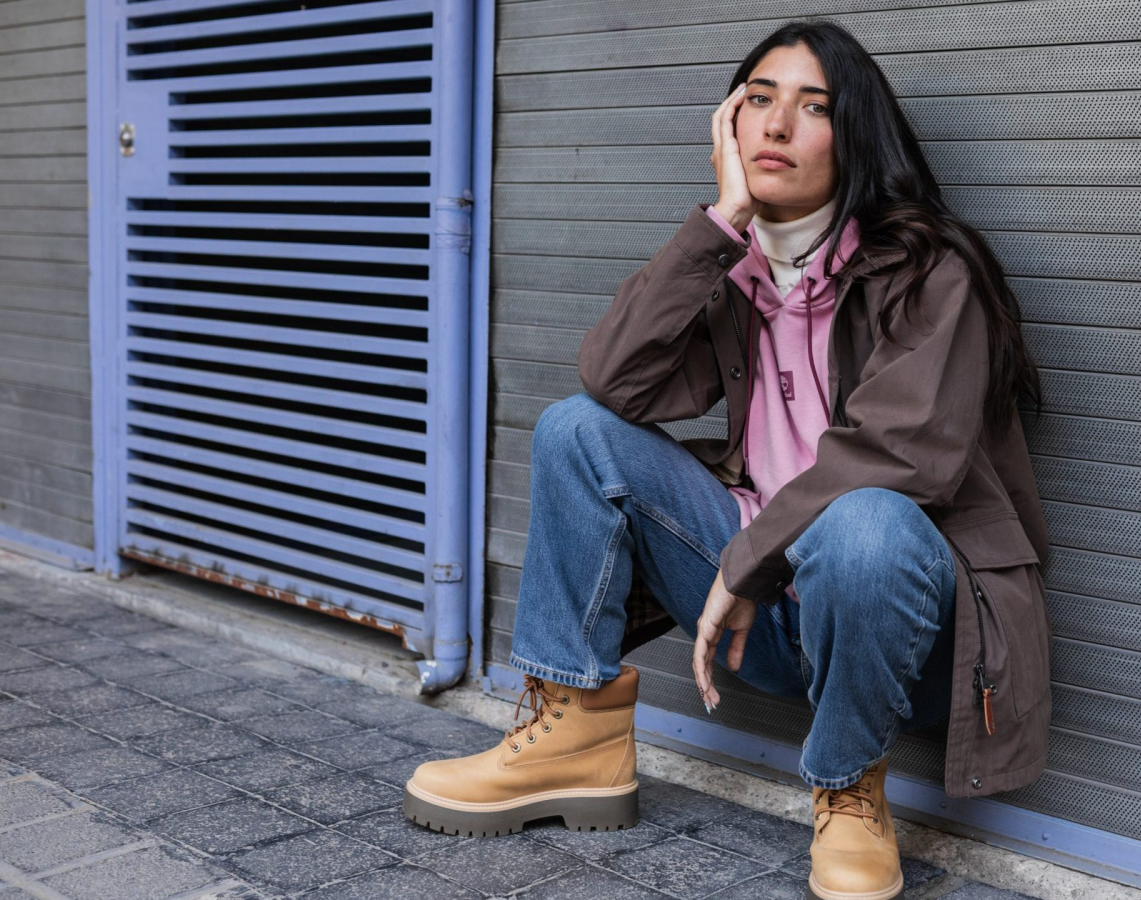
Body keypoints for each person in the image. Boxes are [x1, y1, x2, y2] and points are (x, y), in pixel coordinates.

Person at [403, 18, 1052, 900]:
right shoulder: (740, 271)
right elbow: (614, 379)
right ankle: (576, 735)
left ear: (855, 134)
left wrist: (747, 561)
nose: (777, 125)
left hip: (896, 626)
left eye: (812, 107)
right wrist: (722, 221)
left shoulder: (931, 273)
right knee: (573, 431)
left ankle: (851, 787)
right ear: (727, 127)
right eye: (757, 100)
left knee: (866, 521)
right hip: (757, 612)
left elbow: (901, 457)